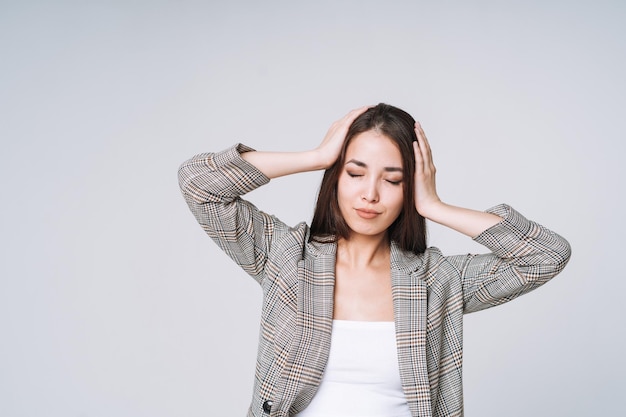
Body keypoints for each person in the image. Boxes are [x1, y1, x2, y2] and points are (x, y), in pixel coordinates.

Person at [178, 103, 571, 417]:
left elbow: (545, 255)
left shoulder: (436, 280)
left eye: (393, 180)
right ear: (336, 177)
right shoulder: (286, 257)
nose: (370, 194)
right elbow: (199, 185)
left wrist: (434, 205)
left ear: (410, 188)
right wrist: (316, 156)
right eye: (354, 172)